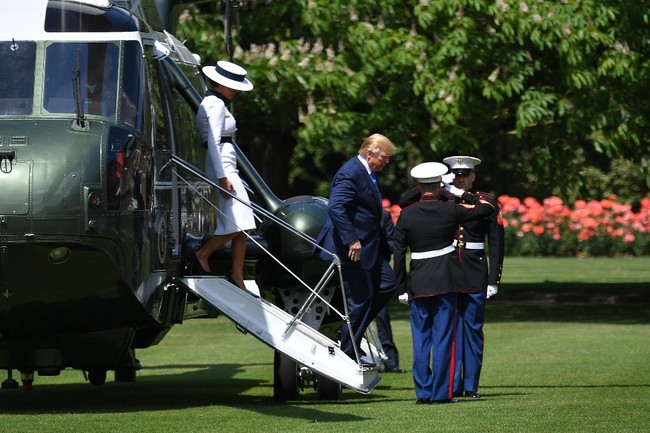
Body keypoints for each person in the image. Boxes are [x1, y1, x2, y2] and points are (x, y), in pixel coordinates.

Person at [393, 162, 495, 404]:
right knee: (443, 339)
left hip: (417, 282)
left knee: (420, 341)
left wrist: (401, 288)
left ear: (418, 186)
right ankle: (441, 394)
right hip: (445, 282)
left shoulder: (407, 214)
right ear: (440, 185)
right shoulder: (450, 209)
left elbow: (397, 254)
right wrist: (461, 193)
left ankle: (423, 393)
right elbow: (487, 208)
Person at [315, 133, 396, 362]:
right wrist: (352, 239)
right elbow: (336, 207)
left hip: (371, 247)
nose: (387, 162)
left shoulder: (366, 172)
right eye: (385, 157)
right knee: (360, 298)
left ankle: (348, 335)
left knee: (386, 285)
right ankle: (348, 350)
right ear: (369, 153)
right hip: (352, 248)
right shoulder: (350, 172)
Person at [442, 156, 505, 399]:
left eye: (465, 174)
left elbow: (497, 242)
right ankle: (453, 384)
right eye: (456, 174)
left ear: (473, 176)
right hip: (448, 270)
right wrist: (441, 186)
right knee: (452, 331)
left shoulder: (486, 200)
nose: (460, 178)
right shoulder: (443, 196)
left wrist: (494, 280)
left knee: (472, 330)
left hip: (475, 270)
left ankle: (471, 385)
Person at [192, 61, 255, 291]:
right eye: (234, 85)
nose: (237, 90)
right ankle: (203, 254)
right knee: (242, 221)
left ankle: (237, 275)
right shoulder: (215, 104)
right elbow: (214, 144)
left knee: (243, 223)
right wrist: (221, 177)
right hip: (224, 168)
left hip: (227, 166)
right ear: (222, 84)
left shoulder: (216, 102)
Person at [375, 210, 406, 373]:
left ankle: (390, 361)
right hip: (355, 273)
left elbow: (392, 244)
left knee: (382, 318)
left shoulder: (384, 216)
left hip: (379, 272)